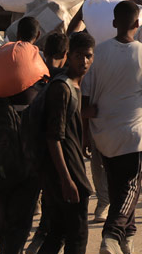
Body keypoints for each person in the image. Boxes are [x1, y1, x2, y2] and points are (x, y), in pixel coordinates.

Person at [82, 2, 142, 254]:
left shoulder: (97, 53)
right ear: (137, 24)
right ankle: (111, 236)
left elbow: (85, 98)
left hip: (102, 134)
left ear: (114, 23)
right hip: (134, 135)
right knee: (130, 188)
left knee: (118, 189)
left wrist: (85, 134)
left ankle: (128, 235)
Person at [35, 31, 94, 254]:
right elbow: (54, 137)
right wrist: (66, 179)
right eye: (79, 56)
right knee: (77, 236)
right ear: (68, 56)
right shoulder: (62, 88)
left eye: (88, 56)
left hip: (64, 169)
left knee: (58, 231)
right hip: (66, 171)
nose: (84, 61)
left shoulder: (74, 86)